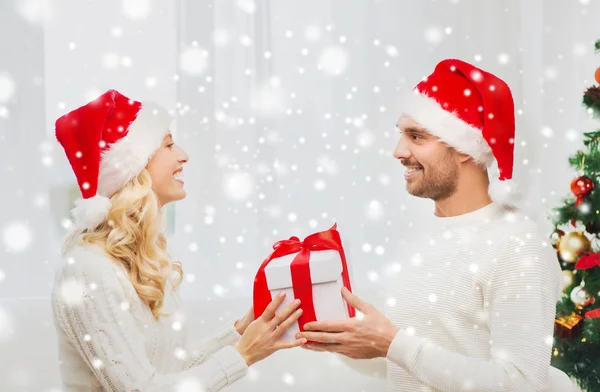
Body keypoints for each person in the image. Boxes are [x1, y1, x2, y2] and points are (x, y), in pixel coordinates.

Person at [296, 59, 566, 391]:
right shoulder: (422, 235)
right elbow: (414, 363)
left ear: (465, 149)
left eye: (417, 137)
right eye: (401, 135)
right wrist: (345, 342)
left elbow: (521, 383)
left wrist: (392, 343)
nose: (398, 151)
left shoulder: (517, 245)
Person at [51, 89, 306, 391]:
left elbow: (168, 374)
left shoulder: (135, 258)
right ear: (132, 169)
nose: (183, 154)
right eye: (169, 144)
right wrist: (243, 355)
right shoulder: (87, 271)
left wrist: (240, 333)